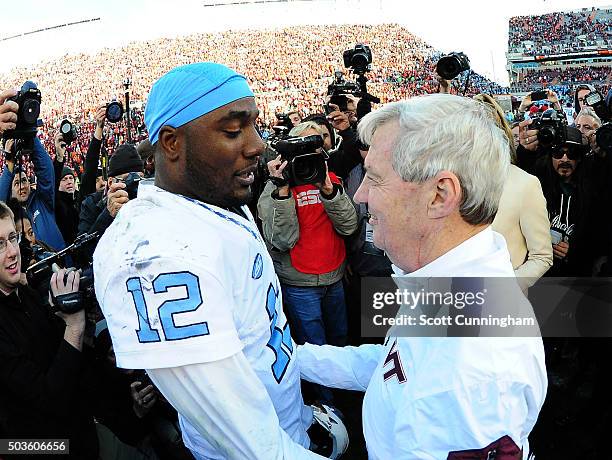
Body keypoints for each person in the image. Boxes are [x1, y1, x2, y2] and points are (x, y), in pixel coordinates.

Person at [94, 62, 341, 459]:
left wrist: (376, 366)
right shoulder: (157, 250)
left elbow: (264, 345)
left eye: (254, 126)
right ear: (172, 143)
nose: (258, 145)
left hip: (291, 429)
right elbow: (254, 446)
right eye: (232, 130)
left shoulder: (212, 200)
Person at [296, 95, 547, 459]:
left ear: (440, 195)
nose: (362, 194)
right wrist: (295, 359)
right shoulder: (448, 283)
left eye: (376, 178)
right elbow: (395, 368)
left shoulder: (470, 371)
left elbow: (430, 382)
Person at [258, 121, 357, 404]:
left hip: (334, 277)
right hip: (300, 285)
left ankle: (347, 395)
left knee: (339, 339)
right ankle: (329, 405)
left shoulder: (331, 180)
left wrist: (327, 189)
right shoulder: (274, 190)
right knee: (315, 347)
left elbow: (349, 226)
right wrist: (282, 191)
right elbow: (282, 240)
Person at [0, 200, 98, 458]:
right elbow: (49, 398)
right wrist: (74, 326)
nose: (12, 251)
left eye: (12, 237)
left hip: (81, 435)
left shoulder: (26, 294)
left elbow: (65, 358)